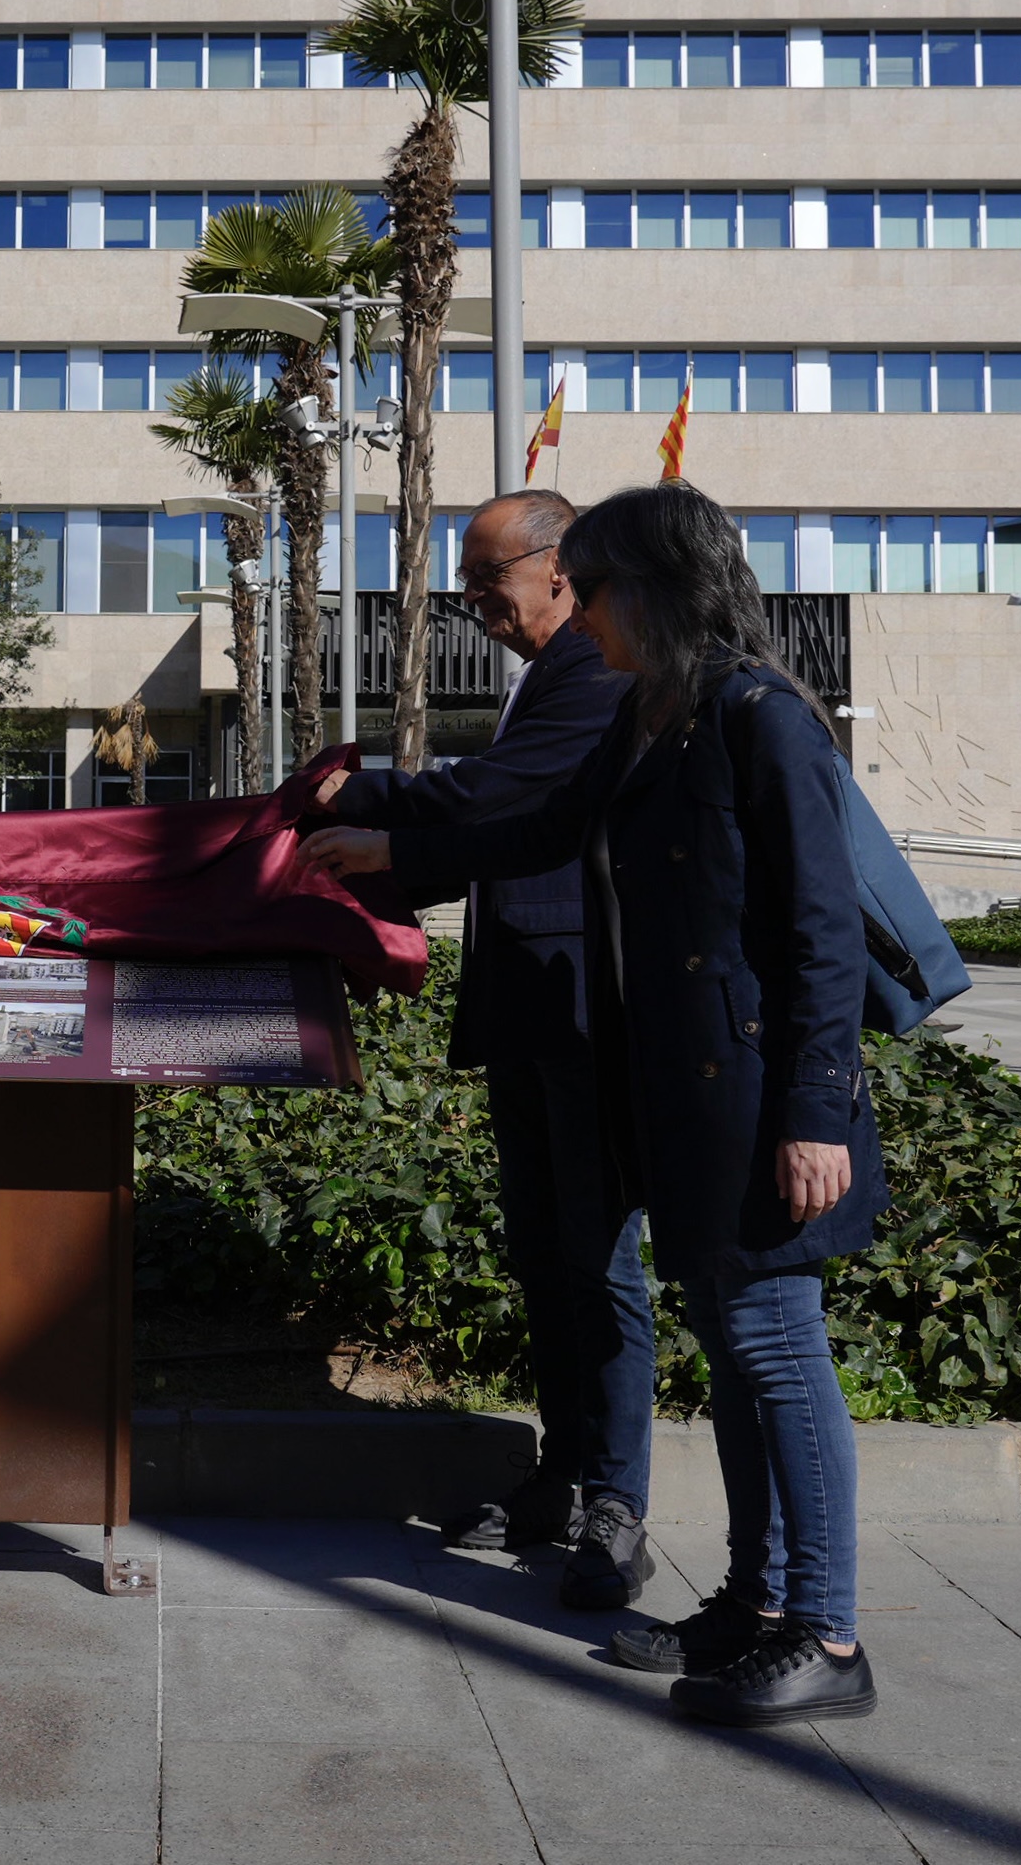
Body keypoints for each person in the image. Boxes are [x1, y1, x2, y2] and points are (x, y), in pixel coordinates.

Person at [300, 479, 886, 1728]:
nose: (581, 615)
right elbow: (541, 824)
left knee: (780, 1358)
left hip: (757, 1097)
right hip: (678, 1089)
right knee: (736, 1362)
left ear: (651, 590)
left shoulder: (762, 716)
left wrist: (818, 1114)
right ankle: (749, 1603)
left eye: (599, 589)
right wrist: (385, 852)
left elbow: (821, 936)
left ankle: (826, 1634)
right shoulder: (660, 719)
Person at [309, 491, 653, 1608]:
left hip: (586, 1006)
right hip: (523, 1004)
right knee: (546, 1257)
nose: (474, 607)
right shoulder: (545, 679)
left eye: (486, 581)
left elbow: (498, 798)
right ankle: (557, 1477)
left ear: (558, 568)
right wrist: (374, 865)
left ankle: (616, 1502)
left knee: (599, 1260)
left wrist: (357, 799)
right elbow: (497, 838)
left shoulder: (598, 670)